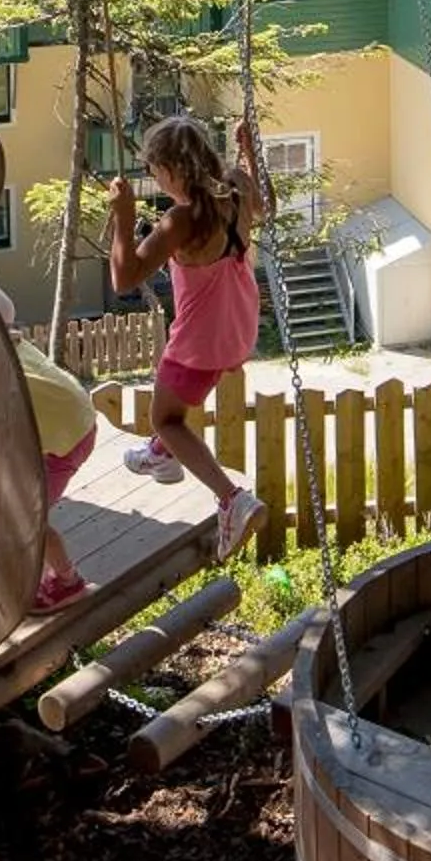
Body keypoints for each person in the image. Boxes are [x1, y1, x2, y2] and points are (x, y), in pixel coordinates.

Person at [107, 112, 269, 562]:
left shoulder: (180, 220)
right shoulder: (236, 187)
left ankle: (231, 499)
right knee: (178, 411)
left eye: (156, 171)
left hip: (199, 341)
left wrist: (122, 218)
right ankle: (162, 456)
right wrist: (251, 156)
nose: (155, 179)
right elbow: (265, 206)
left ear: (173, 170)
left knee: (168, 418)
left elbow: (124, 278)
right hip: (236, 328)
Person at [0, 285, 103, 616]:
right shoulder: (10, 341)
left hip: (63, 441)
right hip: (74, 422)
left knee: (26, 516)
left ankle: (67, 582)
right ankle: (35, 576)